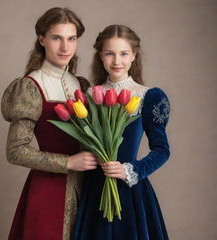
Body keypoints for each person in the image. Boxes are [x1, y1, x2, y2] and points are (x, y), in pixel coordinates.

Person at [1, 7, 97, 240]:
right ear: (42, 39)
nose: (65, 47)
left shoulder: (82, 84)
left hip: (88, 190)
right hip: (48, 193)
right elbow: (15, 151)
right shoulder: (31, 86)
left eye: (71, 39)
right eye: (57, 38)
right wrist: (69, 162)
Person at [72, 25, 170, 240]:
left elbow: (162, 150)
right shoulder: (89, 95)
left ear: (134, 55)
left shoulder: (148, 96)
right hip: (94, 191)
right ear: (100, 56)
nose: (117, 61)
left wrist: (131, 170)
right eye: (110, 53)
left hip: (129, 191)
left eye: (124, 53)